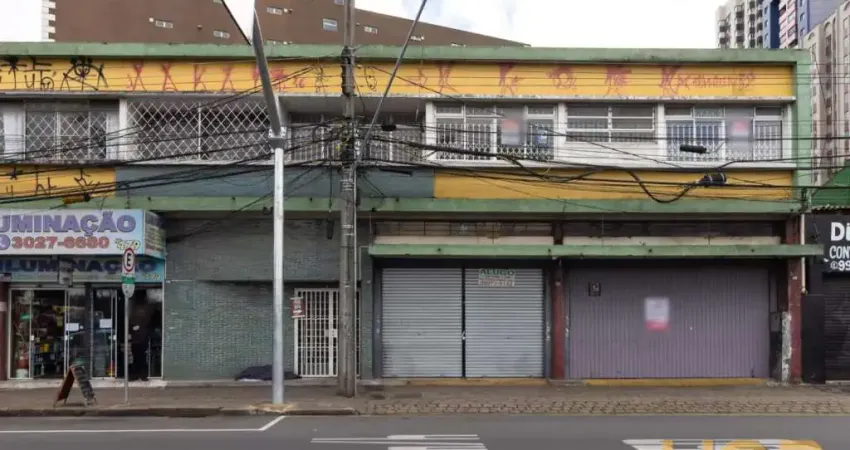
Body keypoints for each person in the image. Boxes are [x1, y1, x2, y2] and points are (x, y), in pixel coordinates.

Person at [128, 294, 153, 381]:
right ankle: (141, 375)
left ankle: (137, 375)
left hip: (137, 339)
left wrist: (132, 330)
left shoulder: (135, 311)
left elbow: (131, 324)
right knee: (141, 358)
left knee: (136, 358)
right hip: (141, 339)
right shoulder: (146, 310)